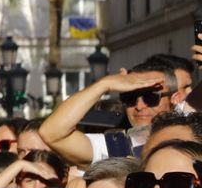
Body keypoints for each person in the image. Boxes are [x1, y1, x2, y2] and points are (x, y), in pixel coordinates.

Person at [41, 59, 185, 164]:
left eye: (150, 97)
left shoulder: (192, 137)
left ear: (175, 98)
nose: (139, 106)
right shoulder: (115, 146)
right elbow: (52, 133)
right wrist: (105, 84)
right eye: (129, 97)